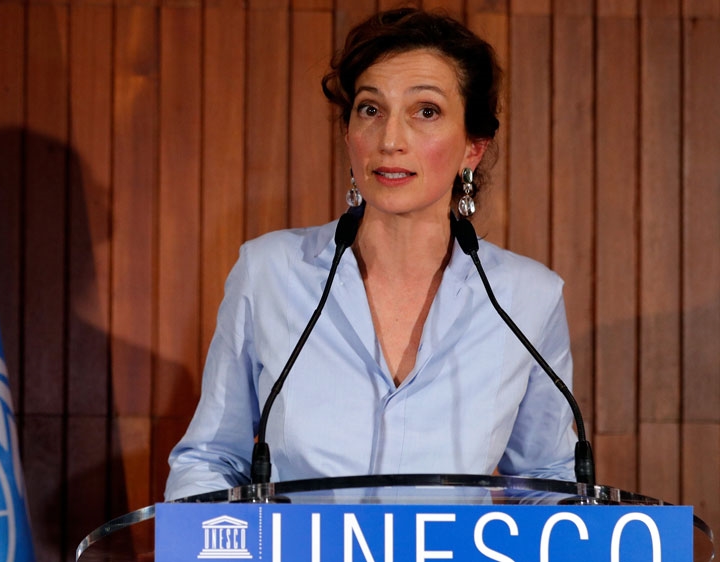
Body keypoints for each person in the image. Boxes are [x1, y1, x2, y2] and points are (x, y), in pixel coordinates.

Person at [164, 8, 577, 501]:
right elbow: (211, 460)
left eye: (426, 111)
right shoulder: (269, 272)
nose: (390, 140)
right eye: (370, 109)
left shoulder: (528, 297)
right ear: (348, 134)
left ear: (473, 147)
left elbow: (548, 479)